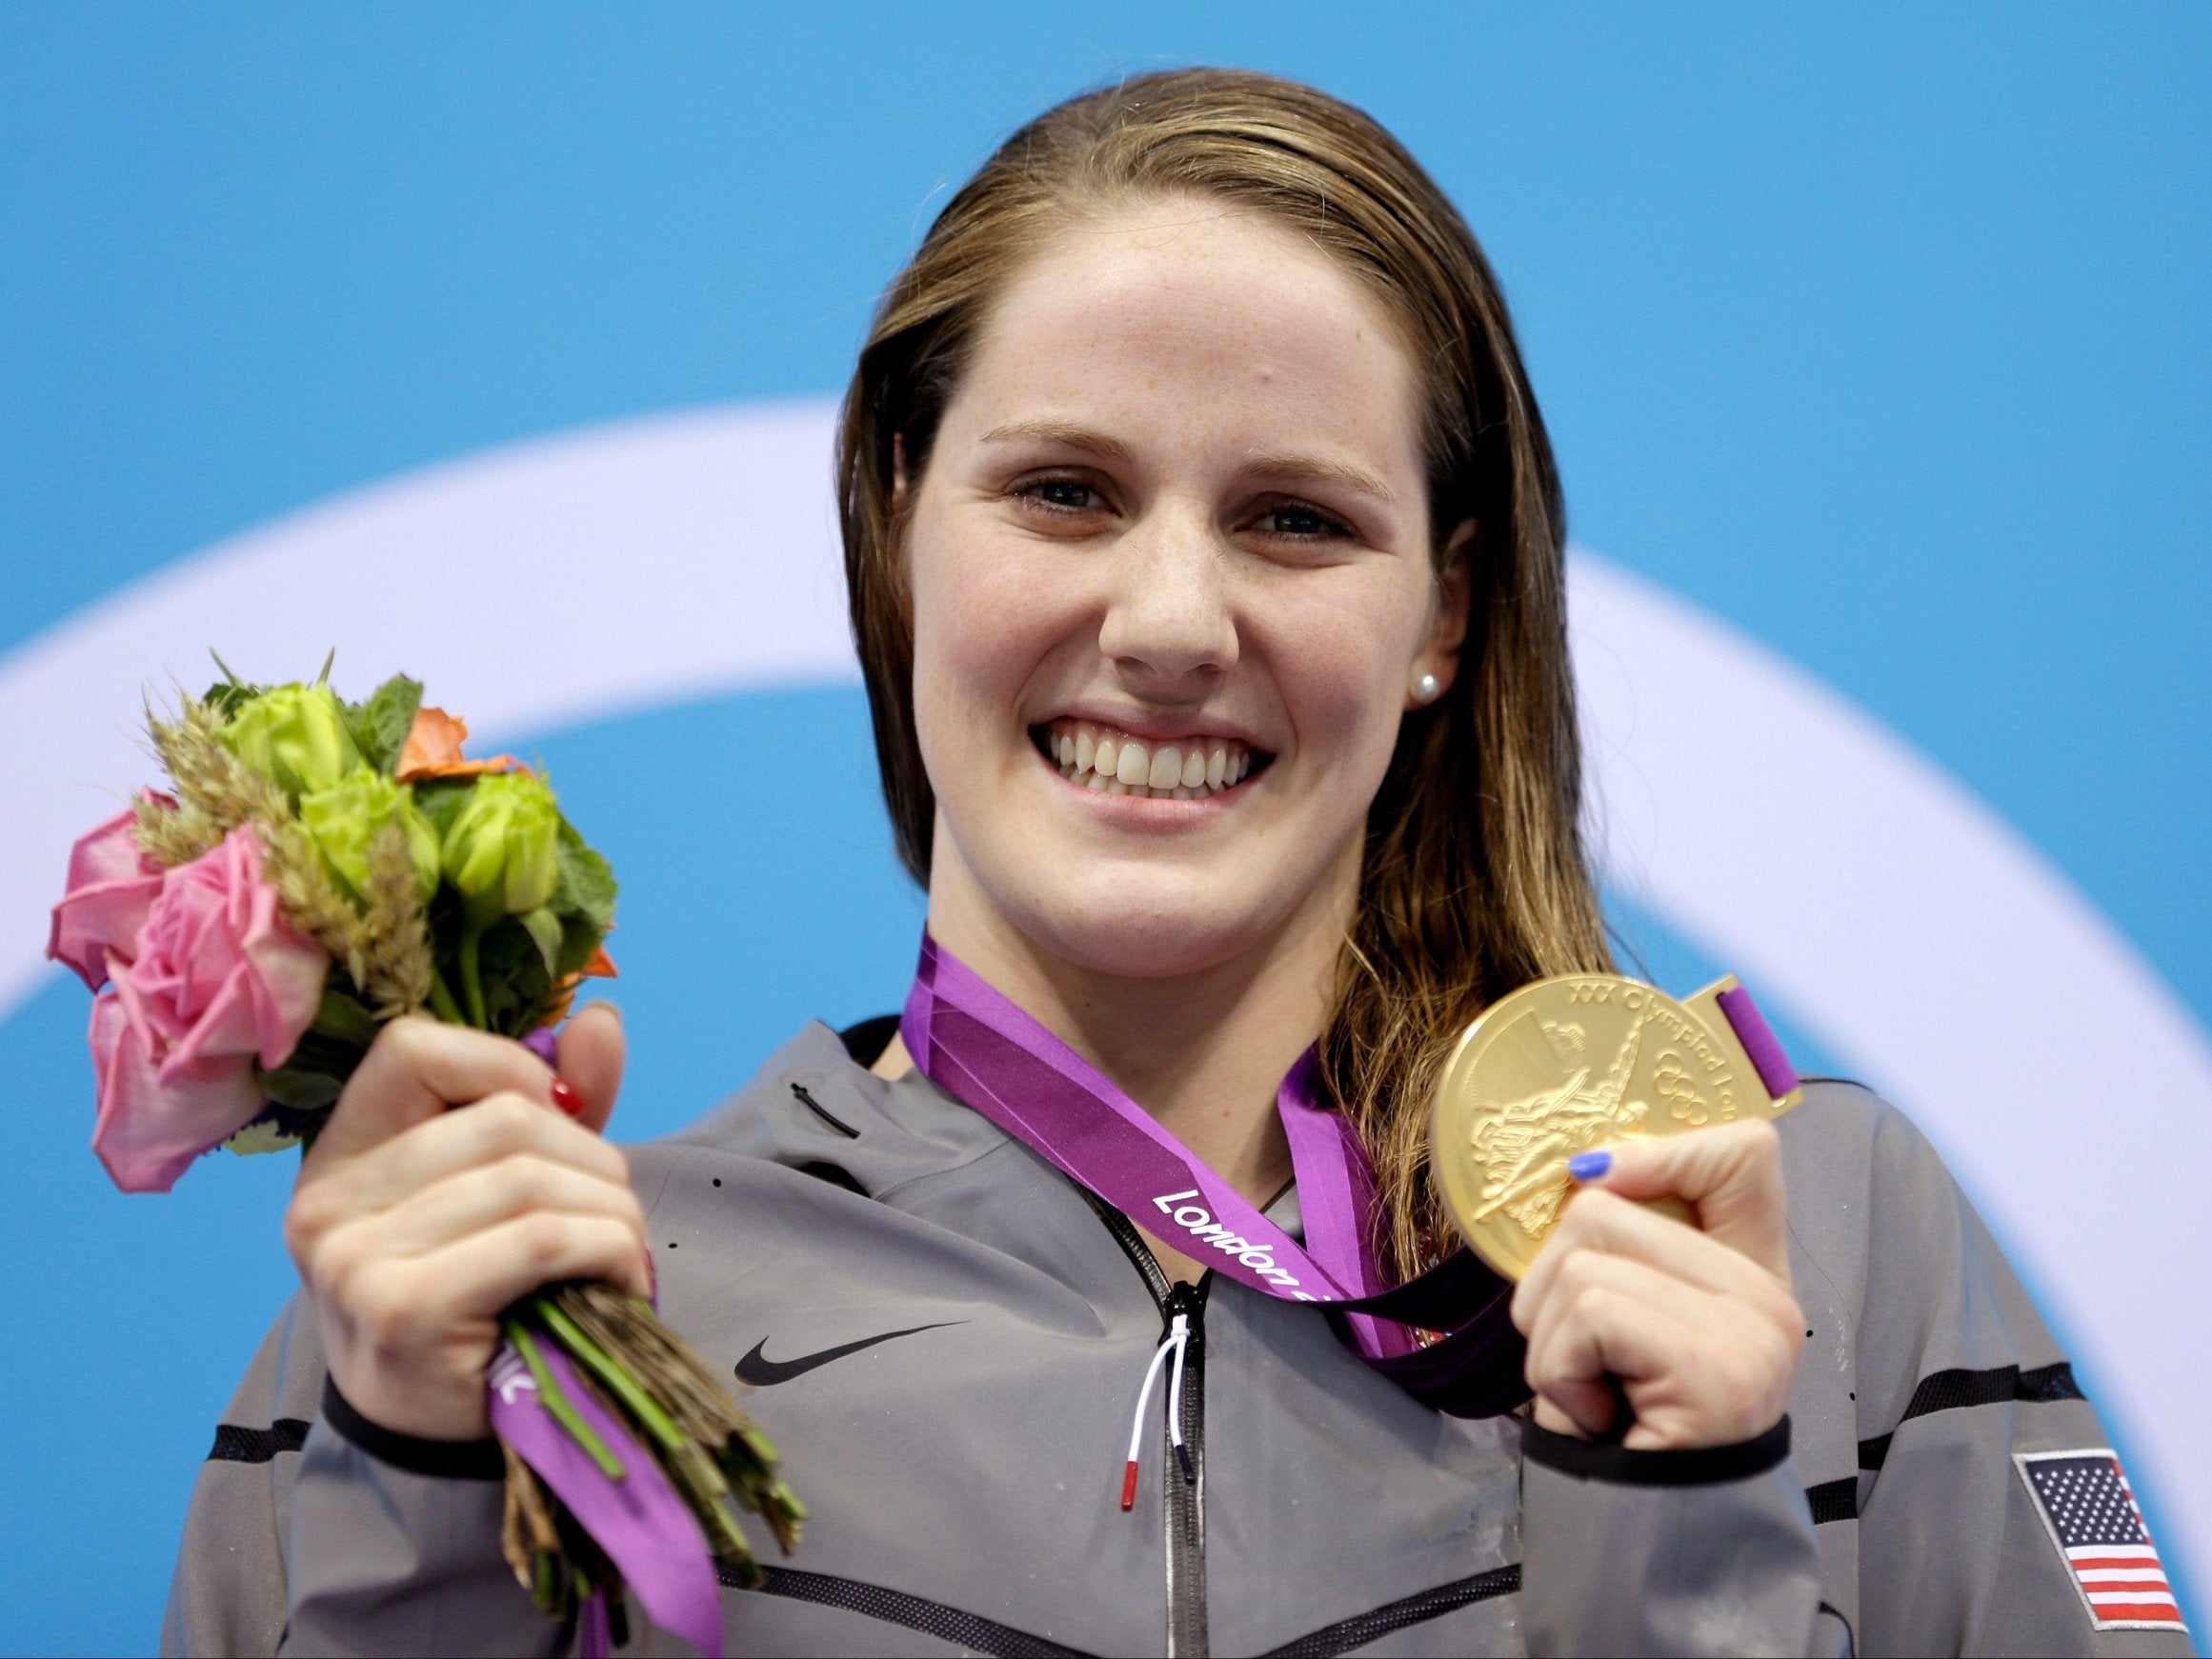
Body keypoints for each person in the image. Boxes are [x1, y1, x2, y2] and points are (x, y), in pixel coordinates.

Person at [163, 70, 2190, 1658]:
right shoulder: (497, 1302)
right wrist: (418, 1487)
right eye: (1064, 490)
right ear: (899, 524)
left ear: (1447, 616)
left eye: (1296, 520)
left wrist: (1675, 1535)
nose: (1169, 619)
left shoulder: (1825, 1238)